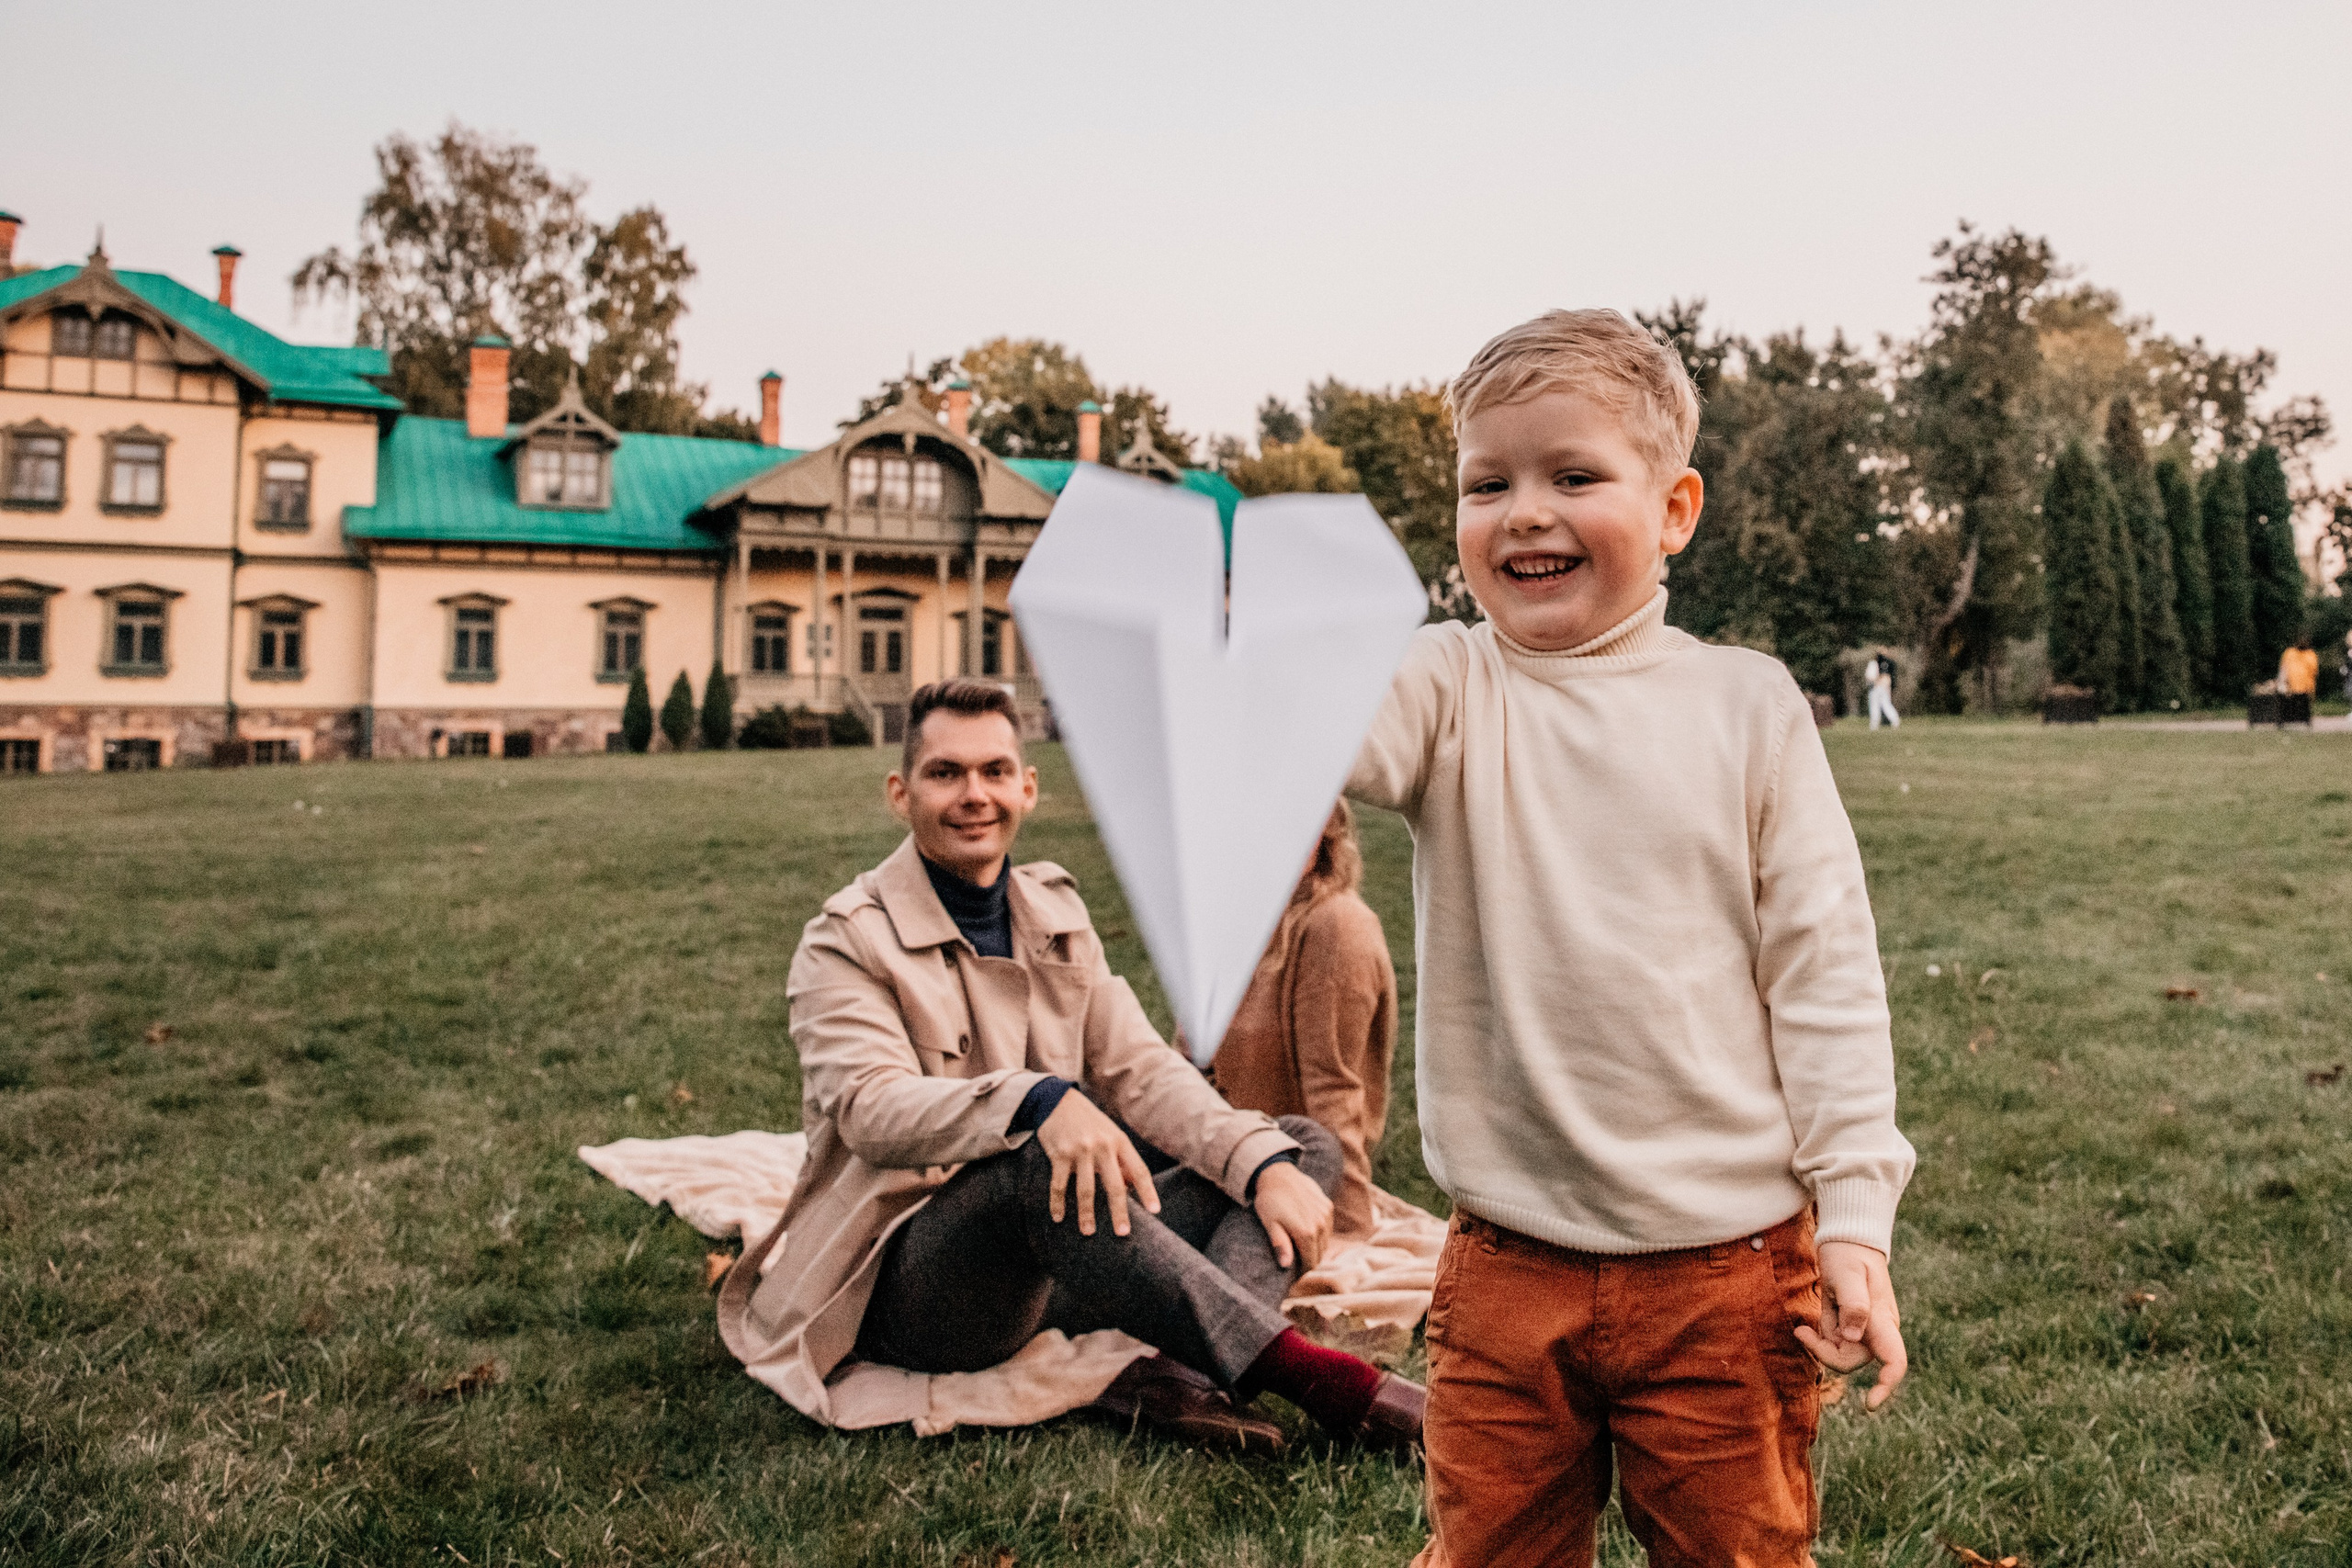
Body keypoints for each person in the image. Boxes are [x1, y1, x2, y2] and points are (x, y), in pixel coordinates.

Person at [1346, 310, 1916, 1566]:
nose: (1524, 513)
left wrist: (1856, 1218)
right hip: (1505, 1266)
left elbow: (1824, 976)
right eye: (1486, 483)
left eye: (1573, 475)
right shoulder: (1450, 683)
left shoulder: (1745, 705)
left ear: (1675, 509)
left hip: (1726, 1271)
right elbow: (1325, 740)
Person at [718, 679, 1423, 1454]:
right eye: (945, 773)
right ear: (900, 792)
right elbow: (869, 1109)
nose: (973, 795)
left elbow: (1144, 1071)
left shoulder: (1054, 910)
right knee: (1039, 1158)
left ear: (1028, 786)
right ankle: (1328, 1384)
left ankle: (1183, 1375)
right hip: (916, 1283)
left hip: (1063, 1265)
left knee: (1294, 1145)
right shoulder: (846, 940)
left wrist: (1258, 1167)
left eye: (993, 771)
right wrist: (1038, 1100)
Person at [1209, 801, 1397, 1244]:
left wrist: (1346, 1234)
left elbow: (1334, 1095)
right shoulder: (1236, 922)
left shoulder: (1337, 927)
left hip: (1298, 1180)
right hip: (1227, 1168)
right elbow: (1194, 1070)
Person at [2278, 638, 2318, 727]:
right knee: (2296, 703)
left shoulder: (2308, 654)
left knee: (2300, 703)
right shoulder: (2291, 653)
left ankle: (2299, 719)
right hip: (2297, 685)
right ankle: (2295, 719)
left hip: (2303, 685)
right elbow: (2284, 668)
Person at [1865, 652, 1901, 729]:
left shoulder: (1873, 664)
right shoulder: (1880, 664)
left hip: (1876, 687)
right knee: (1886, 704)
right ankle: (1895, 720)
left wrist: (1875, 682)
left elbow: (1870, 677)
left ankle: (1874, 724)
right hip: (1882, 687)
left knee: (1875, 706)